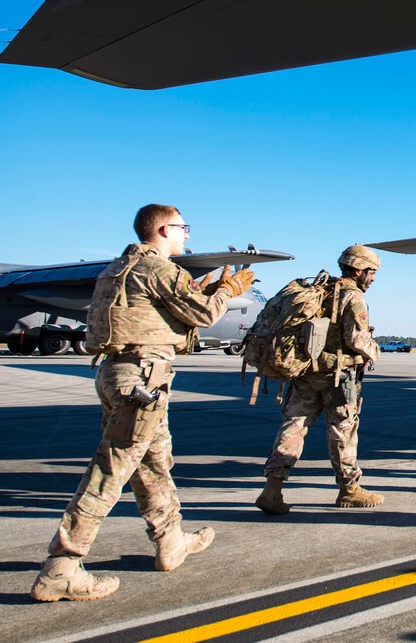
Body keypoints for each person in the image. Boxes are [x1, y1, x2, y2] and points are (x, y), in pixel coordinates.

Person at [30, 204, 255, 602]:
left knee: (153, 463)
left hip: (120, 373)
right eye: (184, 227)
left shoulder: (117, 269)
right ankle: (62, 566)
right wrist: (228, 290)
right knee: (110, 471)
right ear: (165, 229)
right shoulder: (158, 268)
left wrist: (202, 289)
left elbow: (156, 311)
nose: (188, 234)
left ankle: (170, 540)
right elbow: (202, 315)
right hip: (141, 378)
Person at [255, 244, 383, 514]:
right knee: (343, 431)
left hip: (305, 372)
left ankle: (272, 489)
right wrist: (375, 350)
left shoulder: (320, 292)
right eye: (371, 272)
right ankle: (349, 489)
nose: (372, 278)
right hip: (338, 376)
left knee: (294, 426)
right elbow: (356, 339)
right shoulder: (352, 297)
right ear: (359, 270)